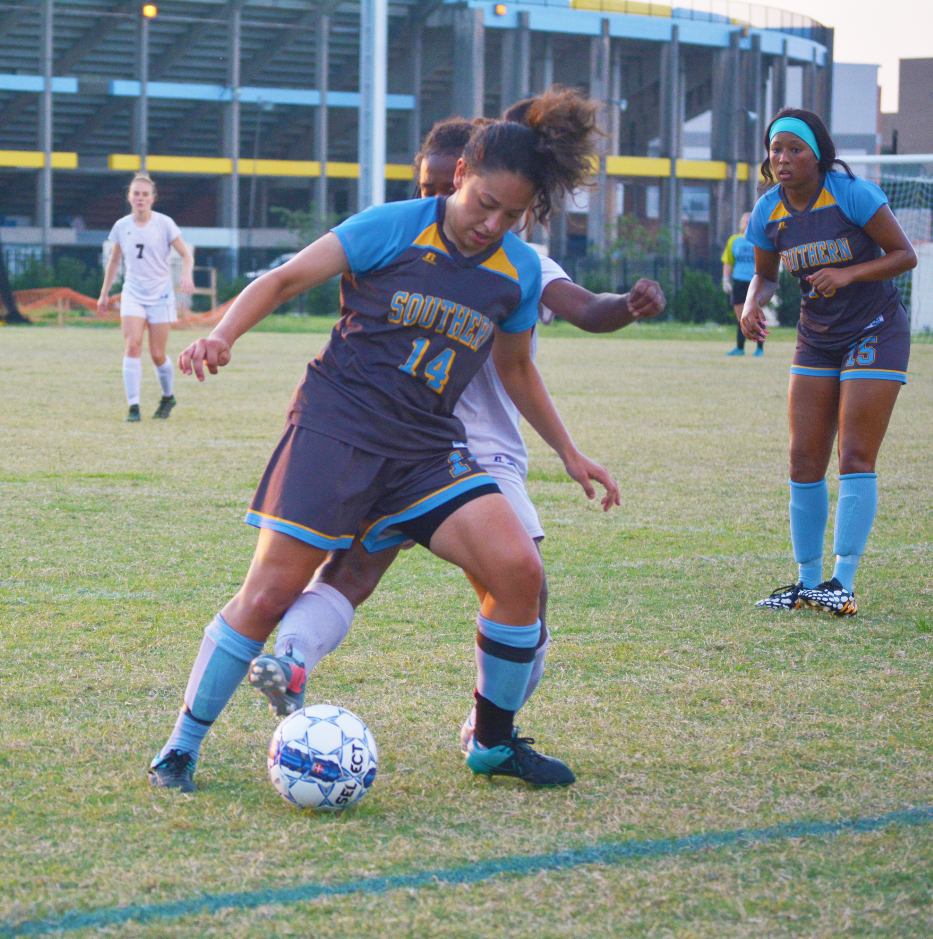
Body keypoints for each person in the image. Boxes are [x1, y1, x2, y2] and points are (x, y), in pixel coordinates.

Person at [148, 88, 619, 794]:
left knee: (520, 572)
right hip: (337, 430)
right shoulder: (393, 227)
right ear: (460, 174)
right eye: (484, 202)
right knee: (270, 590)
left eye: (511, 214)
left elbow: (517, 368)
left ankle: (491, 743)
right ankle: (181, 748)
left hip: (427, 448)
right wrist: (220, 333)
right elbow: (282, 279)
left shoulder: (518, 270)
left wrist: (568, 451)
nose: (491, 223)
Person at [247, 110, 666, 756]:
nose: (437, 203)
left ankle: (491, 727)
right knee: (354, 569)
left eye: (448, 189)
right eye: (426, 188)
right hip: (397, 439)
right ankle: (293, 660)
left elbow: (579, 308)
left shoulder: (515, 258)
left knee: (523, 583)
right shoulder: (408, 234)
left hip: (480, 450)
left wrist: (625, 309)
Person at [741, 108, 916, 617]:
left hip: (875, 331)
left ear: (817, 155)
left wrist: (848, 274)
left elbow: (904, 254)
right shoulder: (767, 211)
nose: (783, 158)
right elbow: (768, 275)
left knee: (855, 455)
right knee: (803, 459)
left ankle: (842, 581)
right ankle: (807, 581)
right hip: (815, 339)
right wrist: (754, 302)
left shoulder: (851, 194)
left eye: (795, 149)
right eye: (777, 150)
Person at [98, 172, 194, 422]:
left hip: (160, 294)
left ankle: (167, 396)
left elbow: (186, 255)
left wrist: (186, 275)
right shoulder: (122, 226)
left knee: (157, 354)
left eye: (144, 194)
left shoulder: (164, 224)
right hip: (133, 293)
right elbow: (115, 260)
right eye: (135, 194)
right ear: (129, 197)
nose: (140, 198)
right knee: (132, 344)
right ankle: (133, 407)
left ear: (153, 198)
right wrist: (104, 293)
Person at [722, 212, 763, 356]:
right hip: (739, 281)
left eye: (750, 221)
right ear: (741, 224)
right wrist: (726, 280)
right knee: (741, 317)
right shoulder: (734, 240)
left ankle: (759, 348)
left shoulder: (760, 240)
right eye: (746, 221)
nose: (748, 224)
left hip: (755, 281)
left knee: (756, 316)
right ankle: (740, 348)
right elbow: (728, 262)